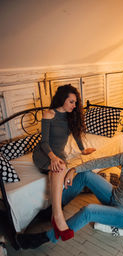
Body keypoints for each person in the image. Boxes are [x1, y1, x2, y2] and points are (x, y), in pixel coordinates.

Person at [17, 134, 123, 250]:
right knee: (85, 174)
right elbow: (100, 161)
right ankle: (55, 210)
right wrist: (75, 169)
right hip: (114, 196)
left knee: (88, 210)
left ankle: (46, 238)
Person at [32, 84, 95, 241]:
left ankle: (55, 215)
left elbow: (76, 135)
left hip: (58, 155)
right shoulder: (49, 114)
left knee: (58, 169)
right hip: (44, 153)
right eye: (71, 102)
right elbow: (44, 142)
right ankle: (58, 216)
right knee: (59, 168)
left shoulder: (70, 115)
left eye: (75, 103)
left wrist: (82, 150)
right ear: (62, 100)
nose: (74, 106)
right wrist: (53, 158)